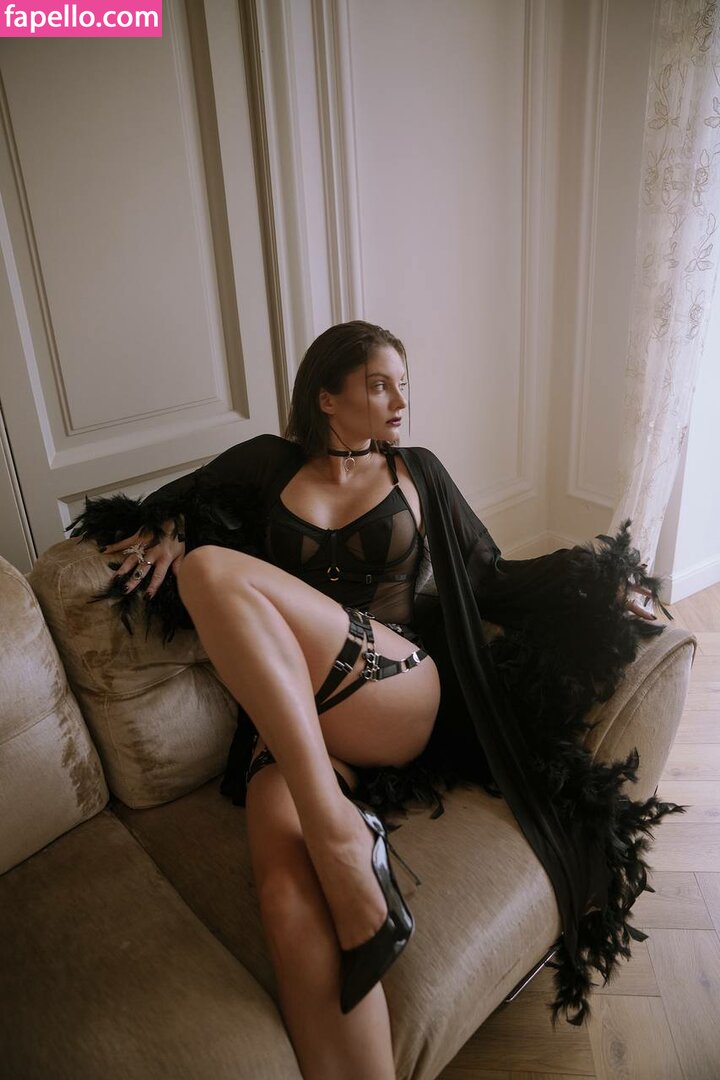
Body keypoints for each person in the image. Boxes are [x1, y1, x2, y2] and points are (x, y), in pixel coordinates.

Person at [68, 320, 684, 1079]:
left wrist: (600, 581)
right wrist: (168, 526)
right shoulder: (265, 462)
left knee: (207, 572)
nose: (400, 400)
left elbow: (493, 578)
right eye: (380, 385)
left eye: (403, 386)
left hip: (395, 685)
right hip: (297, 723)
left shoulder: (416, 472)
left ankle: (337, 830)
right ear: (327, 397)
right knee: (286, 891)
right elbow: (175, 502)